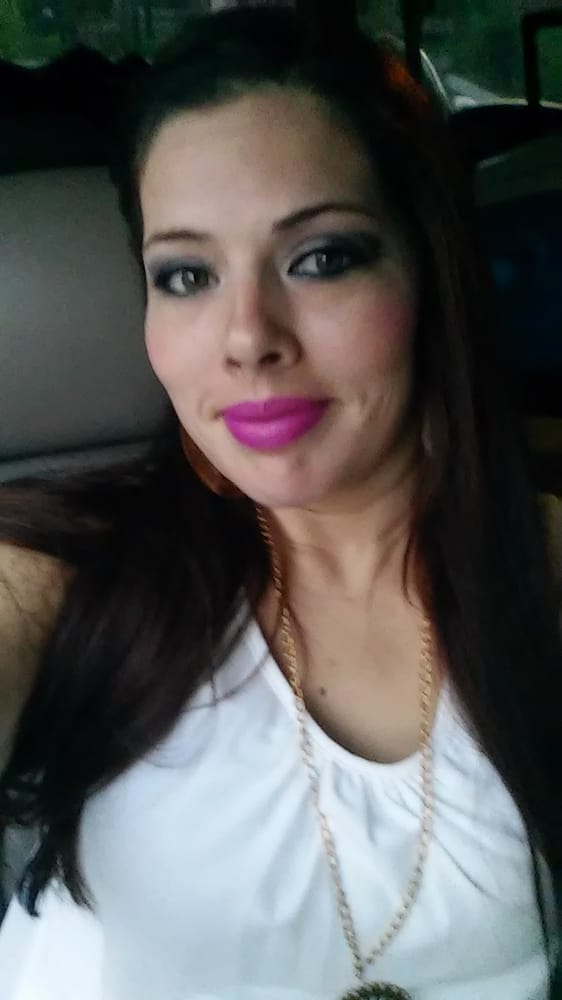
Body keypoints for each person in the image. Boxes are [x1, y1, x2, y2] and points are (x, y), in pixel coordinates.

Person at [0, 8, 560, 999]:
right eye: (186, 275)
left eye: (322, 257)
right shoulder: (75, 571)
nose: (247, 336)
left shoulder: (545, 569)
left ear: (427, 268)